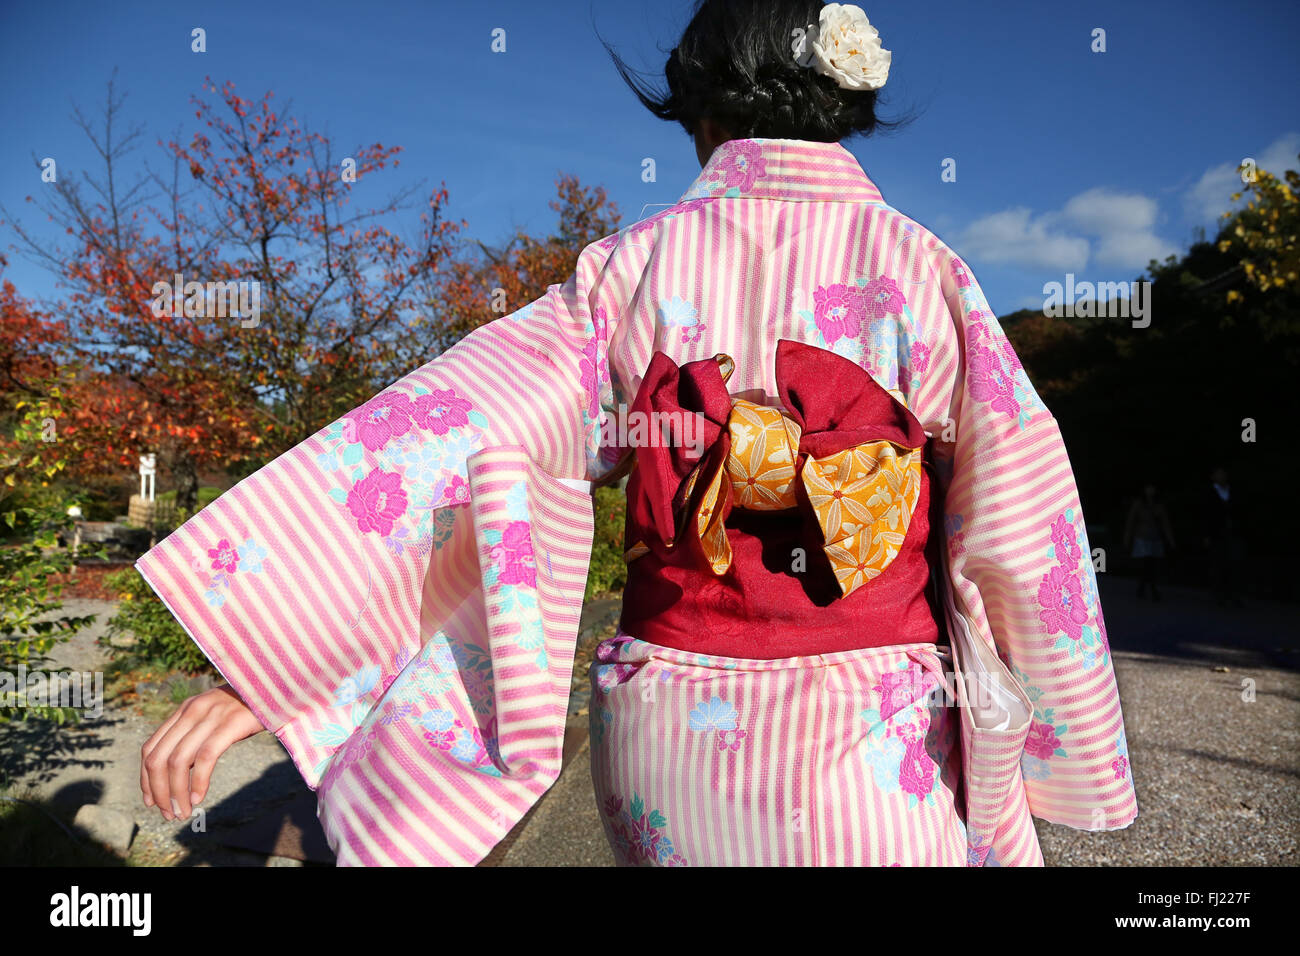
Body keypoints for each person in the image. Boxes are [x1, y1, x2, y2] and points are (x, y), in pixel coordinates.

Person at [136, 0, 1137, 866]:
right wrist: (1061, 737)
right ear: (841, 107)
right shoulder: (925, 270)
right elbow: (1020, 519)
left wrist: (279, 666)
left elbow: (447, 441)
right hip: (875, 725)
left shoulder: (624, 272)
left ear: (703, 112)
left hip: (673, 737)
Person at [1125, 482, 1175, 600]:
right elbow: (1131, 522)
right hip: (1142, 537)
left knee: (1153, 564)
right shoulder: (1139, 504)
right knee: (1144, 563)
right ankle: (1145, 587)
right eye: (1148, 488)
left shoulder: (1158, 505)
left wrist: (1171, 540)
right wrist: (1127, 537)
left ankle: (1150, 587)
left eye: (1152, 488)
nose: (1150, 491)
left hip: (1155, 538)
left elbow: (1165, 523)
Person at [1203, 465, 1244, 607]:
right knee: (1217, 565)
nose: (1221, 476)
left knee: (1234, 564)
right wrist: (1207, 534)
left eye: (1223, 473)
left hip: (1232, 532)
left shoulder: (1233, 491)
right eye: (1218, 474)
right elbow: (1206, 515)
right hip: (1217, 533)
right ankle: (1217, 595)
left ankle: (1233, 595)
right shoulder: (1210, 493)